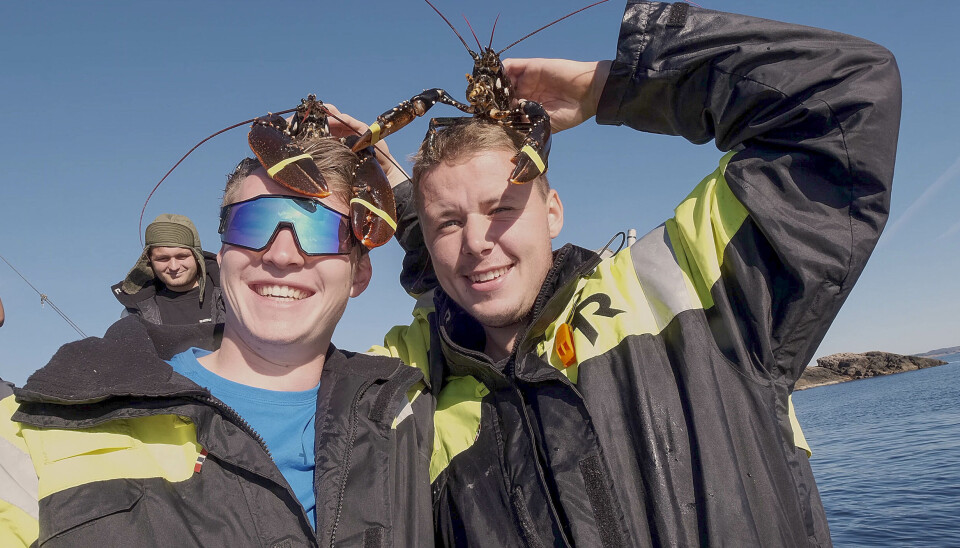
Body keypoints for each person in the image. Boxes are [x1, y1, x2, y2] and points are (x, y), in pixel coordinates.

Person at [375, 1, 901, 546]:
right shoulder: (413, 387)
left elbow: (846, 95)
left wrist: (610, 87)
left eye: (503, 208)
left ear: (552, 210)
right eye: (448, 224)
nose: (478, 243)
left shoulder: (690, 284)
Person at [1, 132, 434, 546]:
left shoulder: (405, 399)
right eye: (254, 222)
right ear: (223, 256)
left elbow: (464, 289)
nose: (281, 255)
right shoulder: (43, 426)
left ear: (360, 273)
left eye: (321, 230)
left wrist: (394, 181)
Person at [111, 213, 225, 326]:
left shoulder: (231, 292)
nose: (174, 267)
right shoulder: (135, 311)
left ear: (197, 255)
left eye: (182, 257)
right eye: (163, 259)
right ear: (149, 260)